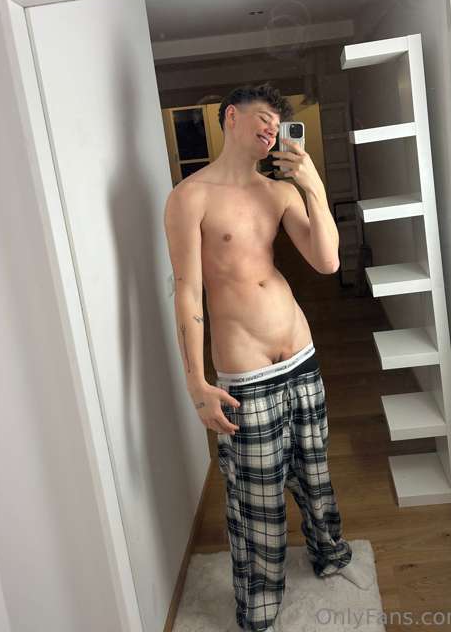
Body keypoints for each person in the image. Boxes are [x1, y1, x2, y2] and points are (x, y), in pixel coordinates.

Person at [163, 83, 373, 632]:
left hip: (300, 354)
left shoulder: (279, 192)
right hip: (246, 372)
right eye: (262, 119)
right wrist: (196, 383)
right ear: (231, 117)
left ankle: (332, 556)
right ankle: (259, 607)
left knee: (315, 473)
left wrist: (312, 184)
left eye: (277, 125)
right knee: (255, 499)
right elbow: (186, 292)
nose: (270, 130)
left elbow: (327, 262)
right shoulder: (190, 196)